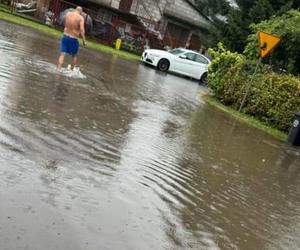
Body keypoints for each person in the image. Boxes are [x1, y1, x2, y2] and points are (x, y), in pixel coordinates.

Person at [57, 6, 86, 70]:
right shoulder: (81, 18)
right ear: (80, 12)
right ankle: (71, 71)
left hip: (65, 36)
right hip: (73, 39)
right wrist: (84, 40)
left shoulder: (67, 14)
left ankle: (58, 69)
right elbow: (81, 29)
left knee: (62, 54)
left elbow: (64, 22)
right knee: (74, 56)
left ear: (75, 10)